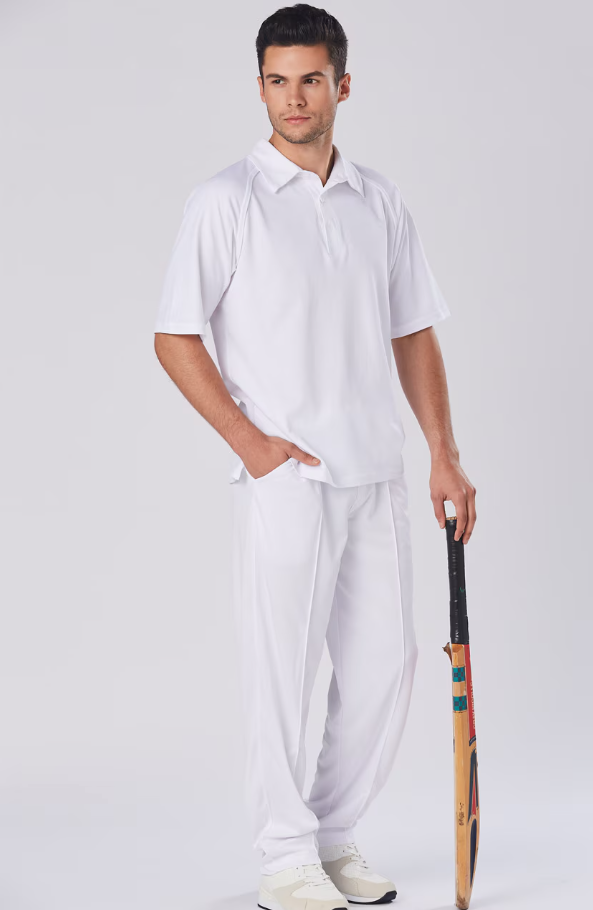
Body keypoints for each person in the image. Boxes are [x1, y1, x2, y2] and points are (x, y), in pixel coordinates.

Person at [154, 5, 476, 908]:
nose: (293, 98)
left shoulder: (380, 200)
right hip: (287, 480)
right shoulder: (225, 201)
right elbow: (175, 335)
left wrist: (444, 455)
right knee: (282, 674)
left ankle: (331, 836)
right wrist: (252, 445)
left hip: (376, 472)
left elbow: (413, 332)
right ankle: (284, 855)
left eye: (309, 80)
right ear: (259, 87)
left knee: (385, 670)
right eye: (276, 81)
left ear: (342, 84)